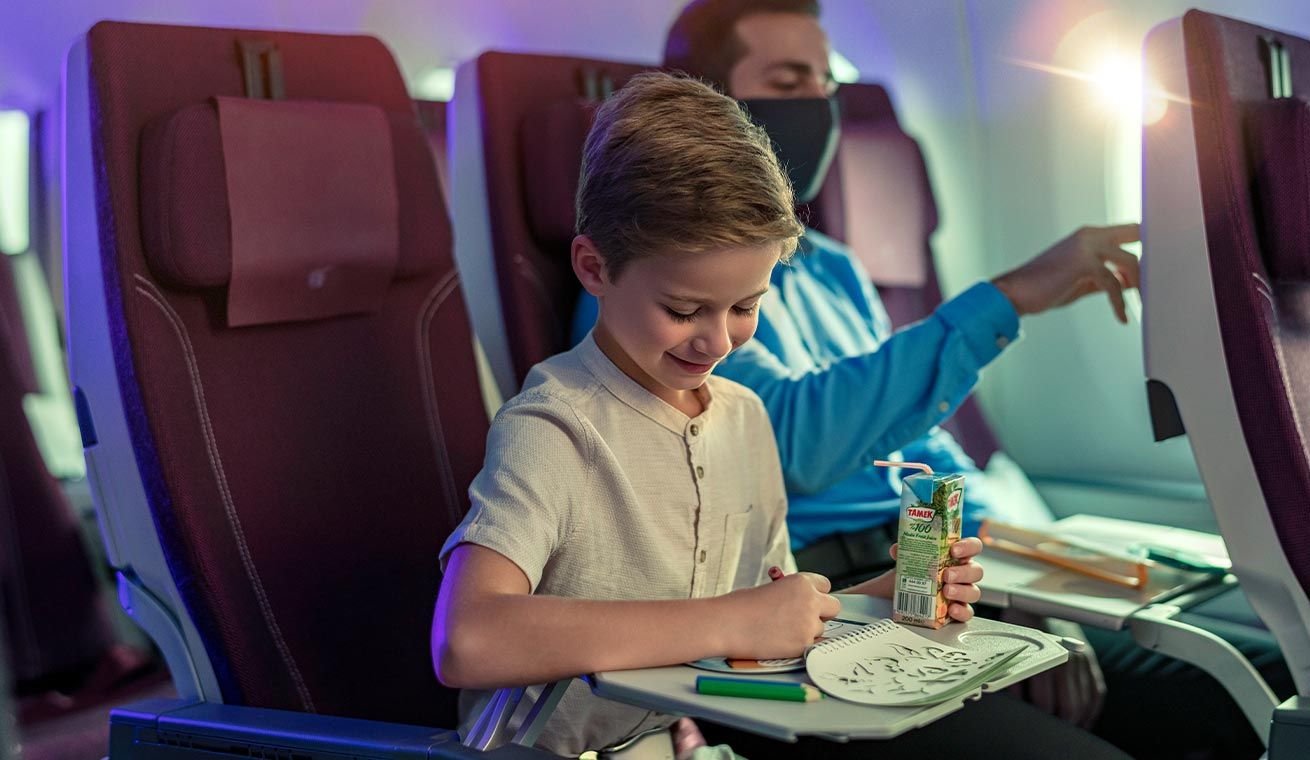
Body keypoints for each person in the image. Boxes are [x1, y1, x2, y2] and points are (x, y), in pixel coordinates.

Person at [569, 2, 1292, 757]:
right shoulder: (648, 298)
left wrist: (1026, 594)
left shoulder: (835, 267)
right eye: (789, 81)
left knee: (1256, 697)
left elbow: (926, 454)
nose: (820, 105)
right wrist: (1006, 298)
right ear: (714, 108)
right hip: (806, 594)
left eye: (826, 81)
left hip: (916, 576)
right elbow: (787, 442)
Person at [434, 72, 1127, 759]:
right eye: (682, 310)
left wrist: (880, 601)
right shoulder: (556, 425)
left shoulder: (743, 417)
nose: (717, 341)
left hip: (667, 742)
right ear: (594, 267)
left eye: (745, 307)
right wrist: (728, 621)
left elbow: (765, 622)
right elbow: (468, 639)